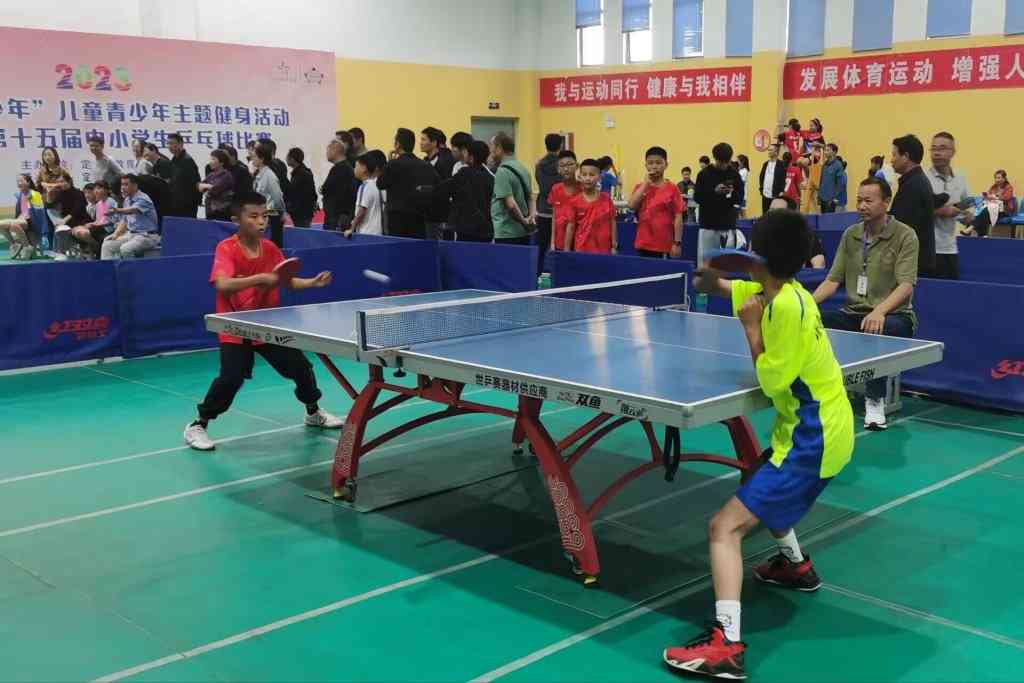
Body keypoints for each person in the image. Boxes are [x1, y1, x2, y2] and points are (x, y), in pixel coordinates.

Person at [665, 210, 854, 681]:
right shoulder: (786, 291)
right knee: (756, 479)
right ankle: (795, 567)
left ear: (760, 258)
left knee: (723, 528)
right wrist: (711, 277)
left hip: (812, 439)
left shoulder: (784, 309)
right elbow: (729, 288)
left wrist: (750, 328)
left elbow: (772, 382)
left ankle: (726, 645)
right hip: (816, 429)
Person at [183, 191, 343, 452]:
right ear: (237, 219)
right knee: (231, 378)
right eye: (254, 216)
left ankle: (313, 412)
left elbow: (286, 281)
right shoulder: (227, 248)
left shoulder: (270, 248)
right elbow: (222, 284)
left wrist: (312, 283)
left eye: (265, 216)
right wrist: (259, 279)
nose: (261, 221)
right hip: (235, 326)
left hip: (267, 325)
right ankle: (198, 424)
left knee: (301, 368)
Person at [813, 177, 918, 429]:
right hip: (853, 312)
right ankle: (821, 392)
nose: (861, 206)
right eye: (859, 200)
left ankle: (874, 399)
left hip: (895, 315)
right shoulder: (851, 235)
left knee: (878, 328)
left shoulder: (905, 235)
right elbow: (832, 280)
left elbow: (906, 285)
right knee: (815, 322)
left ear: (886, 202)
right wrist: (805, 304)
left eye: (868, 201)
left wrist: (879, 311)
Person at [926, 132, 971, 280]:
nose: (937, 153)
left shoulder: (960, 178)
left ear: (953, 152)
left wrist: (967, 217)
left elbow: (966, 206)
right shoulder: (922, 178)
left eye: (942, 148)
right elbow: (912, 210)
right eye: (933, 148)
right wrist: (940, 211)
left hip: (951, 248)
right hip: (927, 249)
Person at [889, 134, 936, 276]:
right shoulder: (916, 180)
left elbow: (901, 226)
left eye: (894, 155)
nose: (891, 160)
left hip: (913, 264)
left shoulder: (913, 186)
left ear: (906, 156)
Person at [378, 128, 438, 239]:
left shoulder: (393, 164)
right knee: (415, 248)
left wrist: (389, 162)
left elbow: (380, 184)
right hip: (418, 216)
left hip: (396, 218)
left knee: (397, 248)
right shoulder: (425, 165)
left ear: (397, 144)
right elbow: (436, 183)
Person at [433, 140, 495, 243]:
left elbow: (445, 189)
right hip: (486, 229)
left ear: (471, 157)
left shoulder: (464, 173)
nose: (463, 154)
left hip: (466, 228)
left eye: (466, 152)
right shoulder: (490, 178)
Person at [694, 142, 746, 264]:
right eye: (720, 162)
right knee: (706, 263)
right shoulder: (704, 174)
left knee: (726, 265)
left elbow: (739, 198)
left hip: (728, 224)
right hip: (708, 225)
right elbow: (697, 197)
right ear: (715, 158)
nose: (723, 165)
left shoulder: (734, 174)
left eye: (726, 162)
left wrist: (731, 193)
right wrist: (714, 192)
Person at [628, 146, 684, 259]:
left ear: (666, 165)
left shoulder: (672, 188)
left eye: (658, 163)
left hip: (663, 245)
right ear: (646, 165)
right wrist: (645, 184)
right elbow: (631, 206)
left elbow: (678, 217)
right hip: (643, 243)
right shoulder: (640, 187)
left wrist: (677, 243)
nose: (654, 166)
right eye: (650, 163)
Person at [101, 175, 161, 260]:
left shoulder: (144, 199)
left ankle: (131, 268)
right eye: (122, 184)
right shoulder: (127, 200)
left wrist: (116, 210)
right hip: (131, 234)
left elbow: (132, 210)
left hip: (147, 236)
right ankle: (109, 268)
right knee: (107, 245)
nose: (122, 187)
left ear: (135, 185)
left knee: (126, 249)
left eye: (126, 184)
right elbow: (124, 221)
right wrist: (116, 234)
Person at [490, 132, 534, 245]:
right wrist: (530, 217)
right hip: (523, 232)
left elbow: (510, 204)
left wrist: (523, 221)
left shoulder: (502, 171)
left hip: (506, 232)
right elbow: (530, 197)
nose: (491, 152)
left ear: (499, 148)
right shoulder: (523, 167)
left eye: (492, 147)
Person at [566, 158, 616, 254]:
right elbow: (571, 226)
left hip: (603, 251)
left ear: (599, 177)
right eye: (584, 175)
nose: (588, 178)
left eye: (592, 175)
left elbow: (612, 222)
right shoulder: (574, 202)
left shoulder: (607, 199)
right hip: (581, 251)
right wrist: (566, 250)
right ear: (580, 176)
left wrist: (614, 245)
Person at [534, 133, 564, 274]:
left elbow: (541, 185)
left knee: (541, 247)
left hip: (543, 210)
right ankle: (560, 274)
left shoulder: (539, 165)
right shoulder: (563, 166)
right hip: (560, 211)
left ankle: (538, 274)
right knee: (560, 246)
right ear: (560, 146)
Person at [0, 174, 44, 259]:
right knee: (1, 224)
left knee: (14, 225)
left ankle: (27, 247)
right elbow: (21, 211)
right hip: (21, 219)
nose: (19, 183)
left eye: (21, 181)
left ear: (28, 182)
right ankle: (14, 244)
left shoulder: (35, 194)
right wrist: (19, 218)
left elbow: (39, 212)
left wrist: (30, 201)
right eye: (18, 181)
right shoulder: (20, 194)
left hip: (32, 222)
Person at [320, 139, 359, 231]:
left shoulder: (341, 169)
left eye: (328, 150)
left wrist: (323, 189)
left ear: (335, 150)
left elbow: (330, 190)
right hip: (337, 218)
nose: (326, 153)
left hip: (336, 220)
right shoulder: (343, 168)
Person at [251, 144, 286, 247]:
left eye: (254, 157)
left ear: (262, 158)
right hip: (263, 213)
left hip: (271, 214)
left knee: (273, 244)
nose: (252, 159)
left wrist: (280, 212)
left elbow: (277, 197)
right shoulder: (258, 174)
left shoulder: (269, 176)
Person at [51, 172, 91, 259]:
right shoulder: (60, 194)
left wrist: (65, 220)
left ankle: (85, 250)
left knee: (64, 229)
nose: (60, 184)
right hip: (67, 221)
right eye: (58, 182)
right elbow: (50, 205)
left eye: (62, 181)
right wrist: (49, 192)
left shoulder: (78, 193)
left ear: (69, 181)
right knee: (59, 229)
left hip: (80, 220)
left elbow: (77, 209)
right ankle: (62, 252)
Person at [73, 180, 117, 258]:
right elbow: (98, 220)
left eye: (99, 188)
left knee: (82, 232)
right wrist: (91, 224)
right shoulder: (99, 204)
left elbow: (114, 220)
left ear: (106, 190)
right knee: (75, 230)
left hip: (108, 230)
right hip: (99, 228)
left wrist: (96, 224)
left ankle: (96, 248)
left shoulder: (111, 202)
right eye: (95, 188)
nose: (96, 191)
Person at [548, 150, 580, 253]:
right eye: (562, 166)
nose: (566, 169)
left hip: (579, 245)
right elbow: (554, 217)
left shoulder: (583, 189)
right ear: (558, 169)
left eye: (570, 164)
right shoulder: (555, 189)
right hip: (559, 243)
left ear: (577, 166)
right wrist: (552, 242)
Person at [969, 170, 1015, 238]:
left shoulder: (1009, 187)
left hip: (1004, 210)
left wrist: (995, 197)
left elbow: (1007, 197)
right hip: (992, 208)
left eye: (999, 178)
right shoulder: (994, 187)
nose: (997, 180)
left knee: (985, 212)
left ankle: (974, 230)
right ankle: (983, 235)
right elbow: (989, 195)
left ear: (1004, 178)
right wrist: (987, 196)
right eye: (996, 178)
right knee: (983, 211)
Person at [348, 152, 384, 236]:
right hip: (379, 232)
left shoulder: (365, 186)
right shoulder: (378, 185)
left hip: (366, 233)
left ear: (364, 168)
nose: (354, 169)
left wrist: (351, 228)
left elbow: (361, 211)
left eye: (356, 166)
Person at [167, 133, 201, 218]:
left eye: (172, 143)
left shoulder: (187, 160)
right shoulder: (174, 160)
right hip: (175, 203)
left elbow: (196, 182)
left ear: (180, 144)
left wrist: (195, 202)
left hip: (187, 205)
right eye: (168, 143)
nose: (169, 146)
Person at [198, 149, 236, 222]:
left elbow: (215, 189)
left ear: (221, 162)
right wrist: (208, 186)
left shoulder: (226, 175)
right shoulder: (211, 175)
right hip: (210, 211)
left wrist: (207, 187)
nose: (210, 162)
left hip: (222, 212)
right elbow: (199, 185)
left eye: (213, 159)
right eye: (210, 159)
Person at [285, 147, 317, 228]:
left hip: (302, 212)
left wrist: (291, 207)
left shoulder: (302, 173)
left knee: (302, 231)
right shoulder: (299, 172)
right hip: (300, 211)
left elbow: (309, 193)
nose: (286, 159)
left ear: (292, 159)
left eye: (287, 157)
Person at [758, 144, 787, 215]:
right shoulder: (765, 164)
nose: (769, 151)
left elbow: (783, 179)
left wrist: (781, 191)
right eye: (768, 150)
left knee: (775, 216)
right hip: (765, 195)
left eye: (771, 150)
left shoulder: (781, 164)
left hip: (775, 195)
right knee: (765, 215)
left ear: (776, 152)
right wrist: (761, 189)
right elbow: (761, 177)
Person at [818, 144, 845, 214]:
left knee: (829, 219)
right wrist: (819, 195)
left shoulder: (838, 165)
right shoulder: (824, 164)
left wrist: (835, 198)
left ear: (834, 152)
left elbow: (840, 184)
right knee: (823, 219)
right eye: (825, 150)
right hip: (823, 198)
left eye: (827, 150)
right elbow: (821, 181)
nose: (825, 152)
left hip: (831, 200)